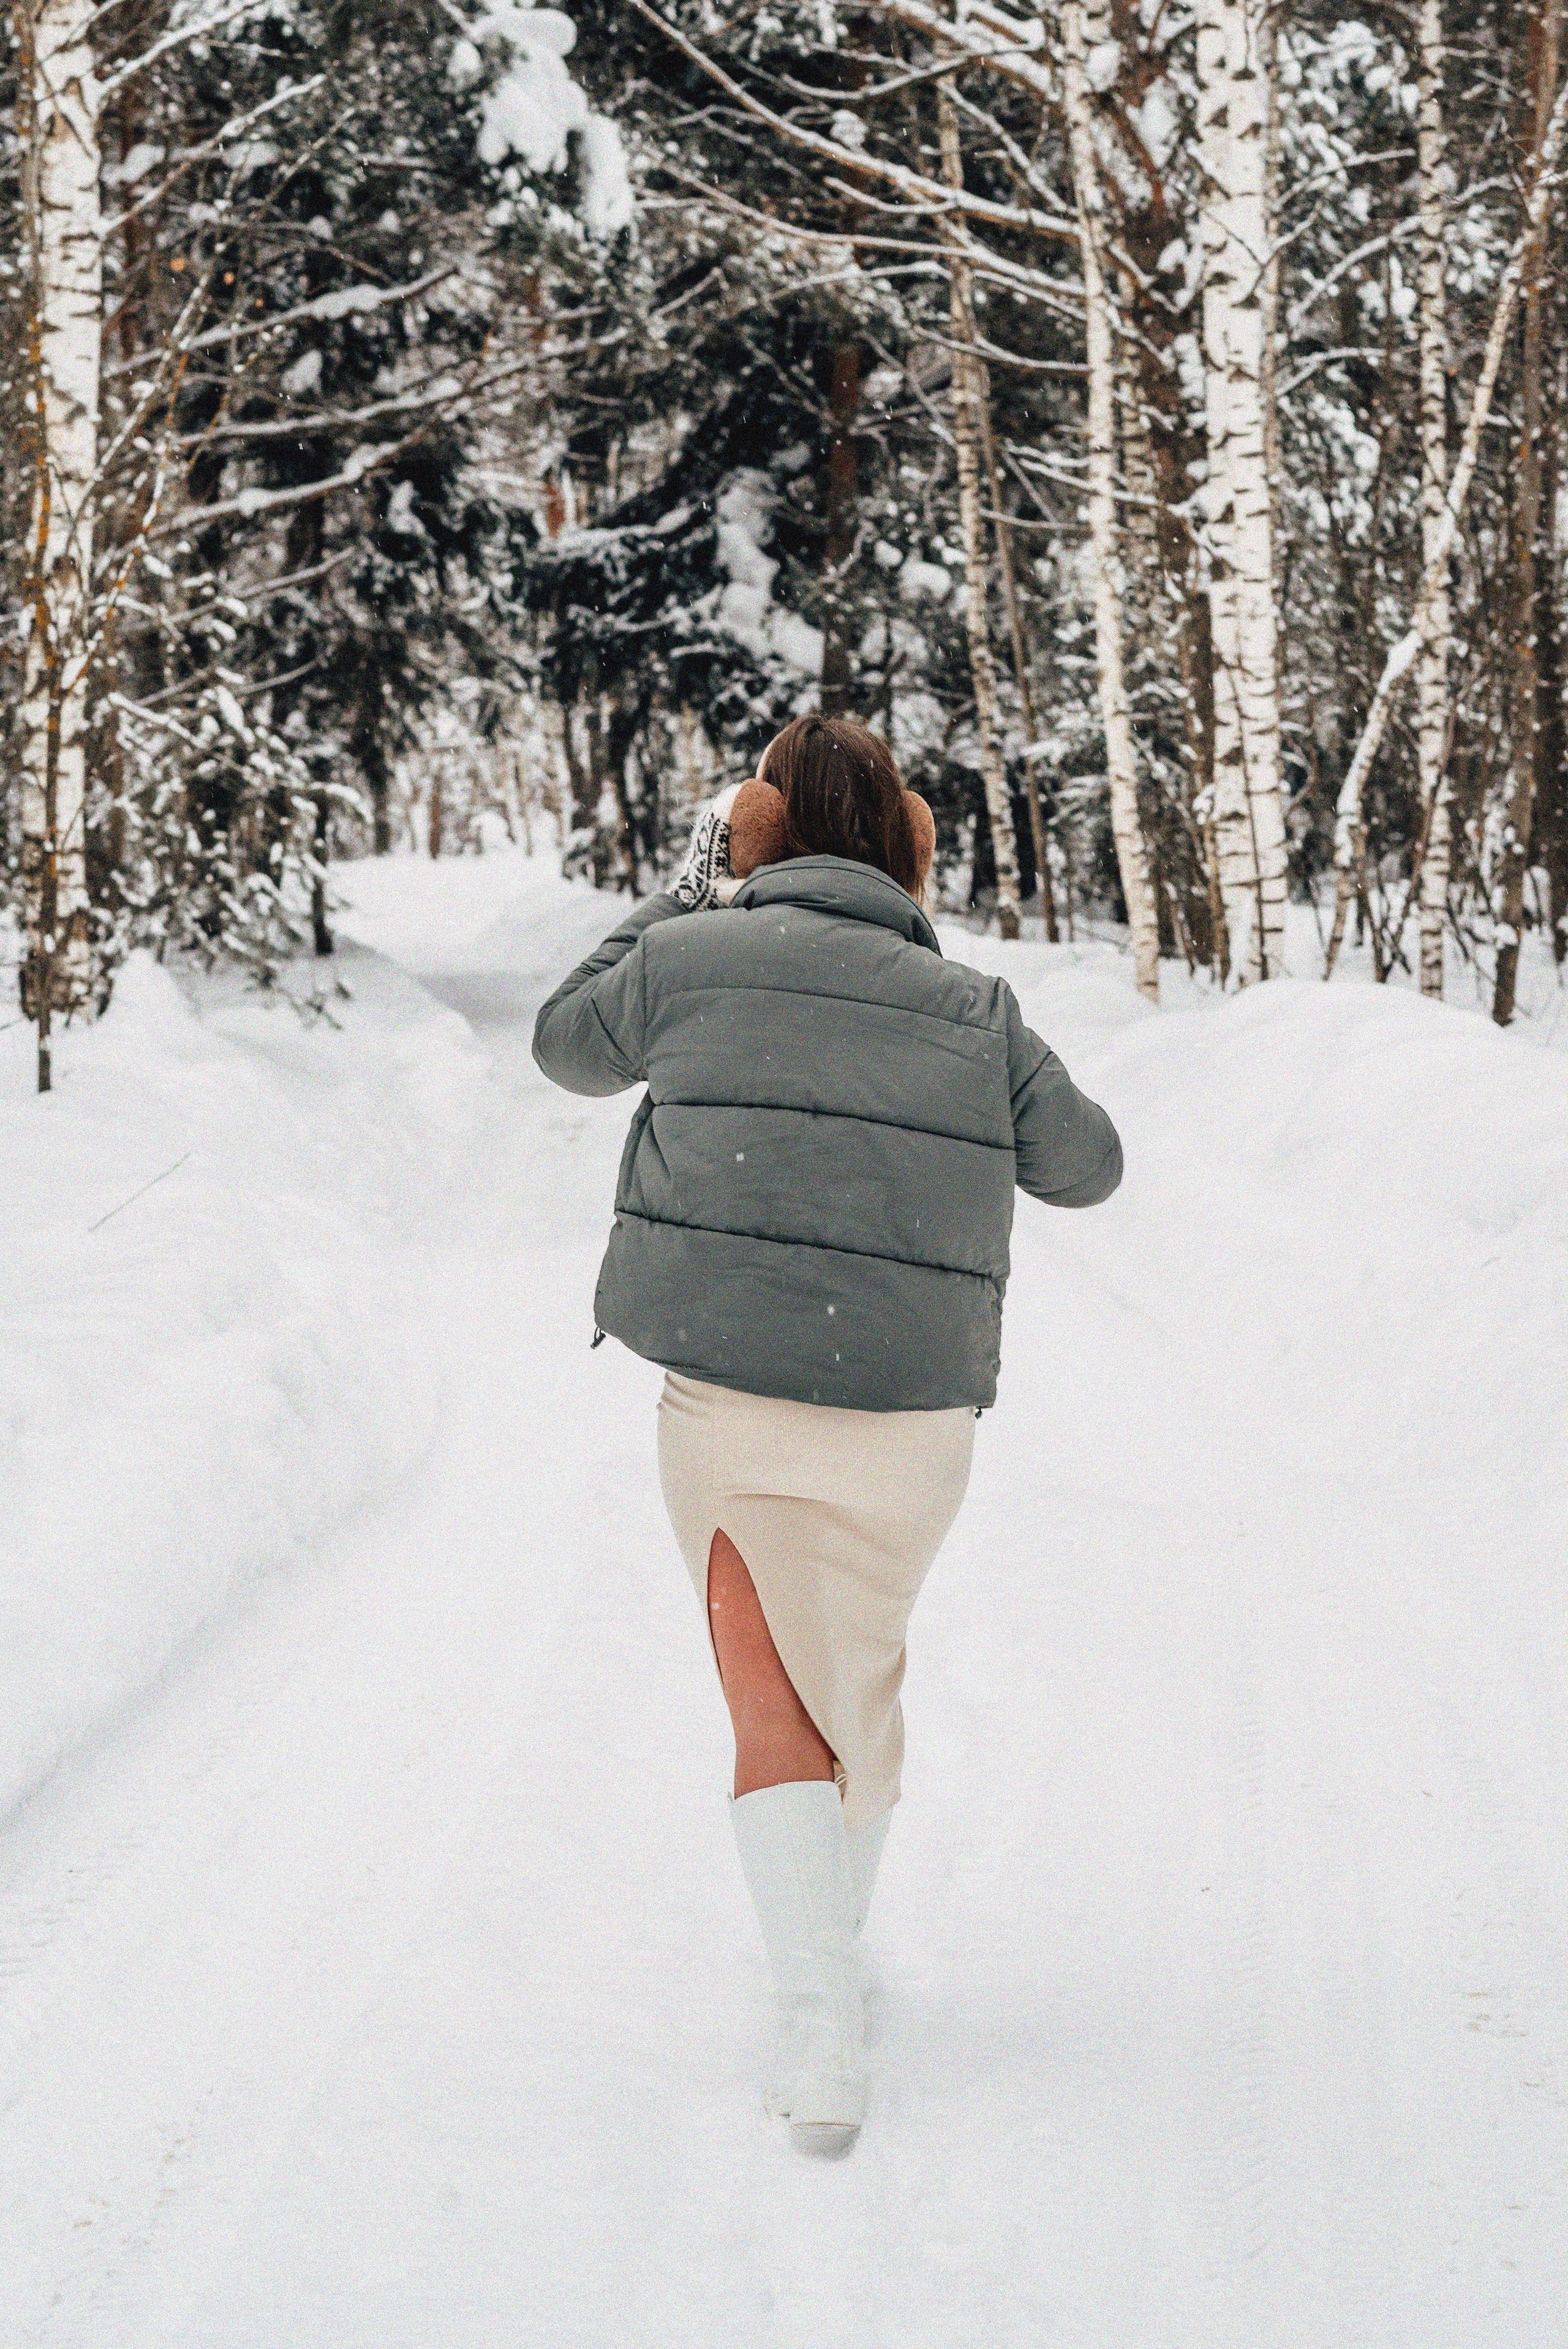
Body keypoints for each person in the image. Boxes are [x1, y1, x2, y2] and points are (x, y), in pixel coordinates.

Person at [533, 712, 1122, 2157]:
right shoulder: (975, 1008)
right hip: (911, 1429)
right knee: (847, 1700)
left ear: (756, 830)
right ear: (908, 850)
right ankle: (824, 1983)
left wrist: (690, 882)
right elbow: (1086, 1167)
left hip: (729, 1408)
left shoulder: (684, 955)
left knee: (775, 1707)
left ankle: (819, 2025)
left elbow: (564, 1045)